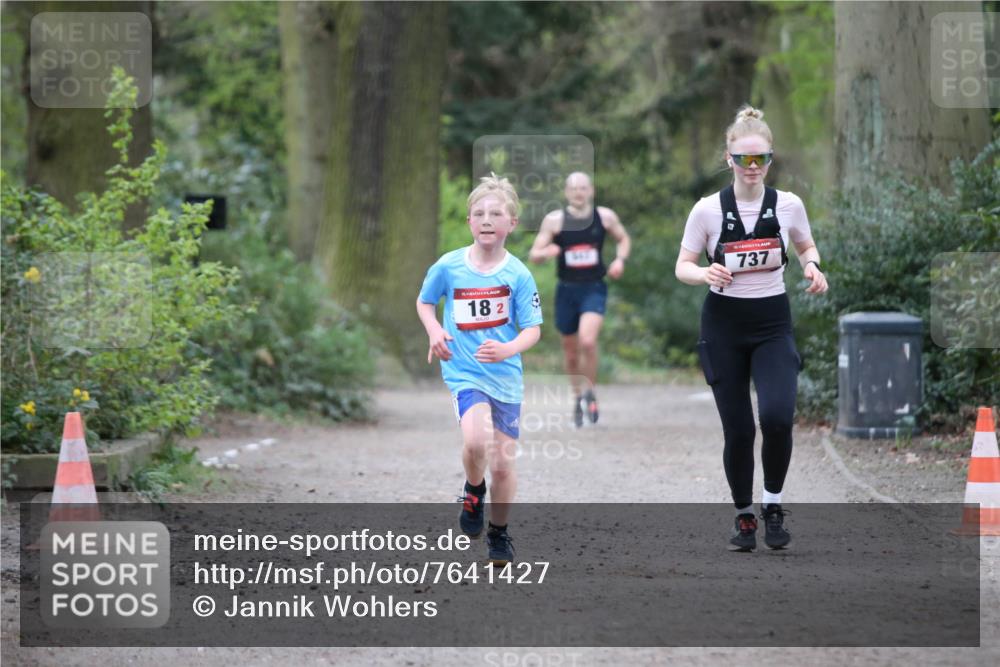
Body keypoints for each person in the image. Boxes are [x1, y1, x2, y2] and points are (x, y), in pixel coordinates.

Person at [674, 105, 828, 552]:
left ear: (770, 159)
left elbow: (805, 245)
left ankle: (773, 505)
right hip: (723, 326)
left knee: (778, 418)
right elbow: (682, 265)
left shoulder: (788, 205)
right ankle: (744, 516)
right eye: (745, 159)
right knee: (739, 429)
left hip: (772, 323)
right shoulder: (706, 211)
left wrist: (813, 267)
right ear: (729, 160)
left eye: (762, 158)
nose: (754, 167)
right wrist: (705, 274)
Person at [416, 173, 543, 565]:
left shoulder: (518, 274)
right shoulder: (449, 266)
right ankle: (474, 490)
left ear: (511, 223)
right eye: (479, 213)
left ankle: (499, 534)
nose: (487, 219)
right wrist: (435, 330)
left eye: (496, 213)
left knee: (503, 463)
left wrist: (507, 348)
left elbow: (533, 331)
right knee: (475, 442)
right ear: (470, 222)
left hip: (505, 377)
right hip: (464, 371)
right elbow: (425, 303)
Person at [528, 172, 630, 427]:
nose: (578, 192)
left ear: (591, 190)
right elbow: (534, 254)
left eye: (583, 188)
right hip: (567, 290)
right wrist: (546, 252)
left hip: (594, 287)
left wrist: (619, 260)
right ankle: (577, 396)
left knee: (588, 340)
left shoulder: (604, 217)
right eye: (574, 189)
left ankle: (590, 391)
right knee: (570, 352)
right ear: (566, 192)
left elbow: (623, 238)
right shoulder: (555, 221)